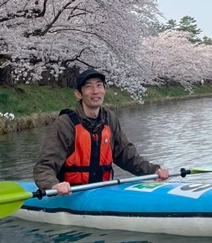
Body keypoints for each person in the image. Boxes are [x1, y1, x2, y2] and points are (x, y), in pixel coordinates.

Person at [33, 68, 170, 195]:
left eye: (99, 85)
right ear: (78, 94)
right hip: (71, 193)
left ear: (104, 89)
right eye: (88, 86)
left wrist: (153, 170)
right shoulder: (65, 124)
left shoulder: (109, 118)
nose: (95, 91)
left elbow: (125, 154)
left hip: (104, 190)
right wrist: (53, 185)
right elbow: (44, 166)